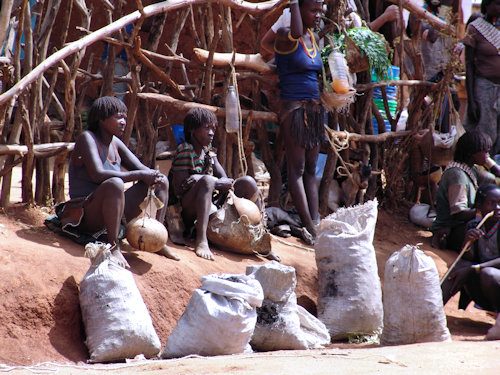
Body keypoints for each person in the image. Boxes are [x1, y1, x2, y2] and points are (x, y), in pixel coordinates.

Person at [55, 96, 179, 267]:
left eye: (124, 118)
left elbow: (142, 169)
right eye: (118, 117)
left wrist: (153, 175)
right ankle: (114, 246)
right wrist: (141, 174)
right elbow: (98, 175)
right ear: (101, 119)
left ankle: (158, 240)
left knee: (161, 180)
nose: (123, 122)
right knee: (115, 184)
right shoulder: (87, 138)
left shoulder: (116, 143)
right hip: (87, 213)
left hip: (113, 212)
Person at [169, 107, 261, 261]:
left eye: (213, 128)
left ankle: (259, 236)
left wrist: (206, 180)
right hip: (186, 210)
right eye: (206, 128)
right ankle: (201, 239)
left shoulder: (209, 153)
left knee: (248, 182)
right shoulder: (185, 151)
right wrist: (207, 180)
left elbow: (227, 181)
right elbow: (179, 190)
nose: (211, 133)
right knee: (207, 181)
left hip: (210, 202)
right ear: (193, 130)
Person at [273, 0, 325, 240]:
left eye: (320, 10)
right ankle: (309, 225)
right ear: (297, 11)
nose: (319, 15)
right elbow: (295, 31)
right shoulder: (285, 35)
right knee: (297, 169)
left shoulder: (312, 39)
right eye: (313, 10)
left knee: (312, 170)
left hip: (314, 111)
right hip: (293, 109)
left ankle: (314, 221)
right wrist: (293, 2)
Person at [432, 130, 500, 251]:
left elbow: (495, 176)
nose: (487, 155)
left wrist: (489, 163)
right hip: (452, 230)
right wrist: (483, 211)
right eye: (485, 152)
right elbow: (459, 214)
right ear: (472, 153)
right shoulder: (457, 175)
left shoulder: (471, 170)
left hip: (464, 225)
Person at [441, 183, 500, 313]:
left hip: (493, 280)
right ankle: (432, 308)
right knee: (460, 266)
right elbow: (469, 257)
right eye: (492, 203)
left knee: (487, 273)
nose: (497, 208)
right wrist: (468, 242)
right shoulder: (474, 225)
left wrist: (475, 269)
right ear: (479, 205)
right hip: (483, 288)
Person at [463, 0, 500, 155]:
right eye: (497, 3)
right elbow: (469, 65)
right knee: (485, 136)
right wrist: (471, 101)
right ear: (487, 5)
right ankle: (484, 171)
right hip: (484, 88)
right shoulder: (476, 28)